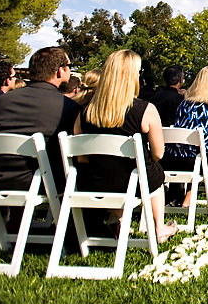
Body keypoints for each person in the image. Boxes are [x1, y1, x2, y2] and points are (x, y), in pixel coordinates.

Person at [75, 50, 175, 243]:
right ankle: (158, 227)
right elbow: (159, 153)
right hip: (134, 182)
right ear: (132, 77)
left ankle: (118, 218)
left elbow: (82, 158)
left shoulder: (84, 112)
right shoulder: (145, 110)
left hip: (94, 182)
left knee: (111, 170)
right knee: (154, 171)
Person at [0, 46, 80, 193]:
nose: (69, 70)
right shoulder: (67, 106)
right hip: (42, 183)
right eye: (69, 66)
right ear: (59, 71)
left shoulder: (4, 100)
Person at [161, 66, 208, 216]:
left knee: (204, 158)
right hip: (199, 160)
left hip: (174, 158)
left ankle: (187, 200)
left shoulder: (183, 104)